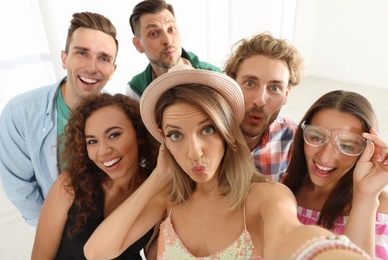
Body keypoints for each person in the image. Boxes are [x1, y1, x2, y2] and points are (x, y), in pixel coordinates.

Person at [84, 65, 370, 259]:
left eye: (207, 130)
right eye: (175, 135)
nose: (194, 152)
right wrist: (159, 177)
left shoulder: (265, 197)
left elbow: (290, 235)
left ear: (227, 133)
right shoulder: (166, 199)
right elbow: (96, 253)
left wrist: (329, 251)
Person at [0, 11, 118, 226]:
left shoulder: (121, 117)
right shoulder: (19, 113)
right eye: (82, 53)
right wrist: (52, 233)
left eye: (104, 58)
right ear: (64, 58)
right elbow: (19, 185)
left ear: (112, 70)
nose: (92, 67)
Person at [31, 93, 159, 259]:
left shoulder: (158, 186)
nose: (103, 151)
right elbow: (40, 256)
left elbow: (155, 252)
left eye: (114, 135)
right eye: (92, 141)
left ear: (139, 134)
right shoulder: (69, 185)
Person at [283, 90, 388, 259]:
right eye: (316, 138)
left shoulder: (383, 210)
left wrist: (365, 197)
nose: (325, 157)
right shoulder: (282, 191)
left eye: (347, 146)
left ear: (367, 150)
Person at [223, 32, 304, 182]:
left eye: (274, 88)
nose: (260, 101)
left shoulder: (295, 139)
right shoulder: (206, 132)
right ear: (231, 83)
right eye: (250, 84)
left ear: (286, 94)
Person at [125, 0, 221, 100]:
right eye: (153, 33)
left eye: (171, 29)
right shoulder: (135, 91)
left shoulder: (215, 76)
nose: (168, 40)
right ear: (138, 44)